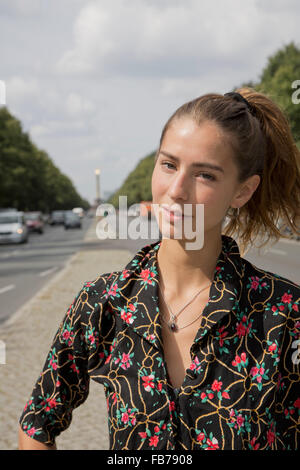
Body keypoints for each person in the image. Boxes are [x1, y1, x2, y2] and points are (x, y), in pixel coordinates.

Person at [19, 89, 300, 451]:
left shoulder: (284, 313)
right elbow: (37, 424)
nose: (177, 190)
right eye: (169, 164)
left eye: (206, 175)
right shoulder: (102, 303)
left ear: (242, 191)